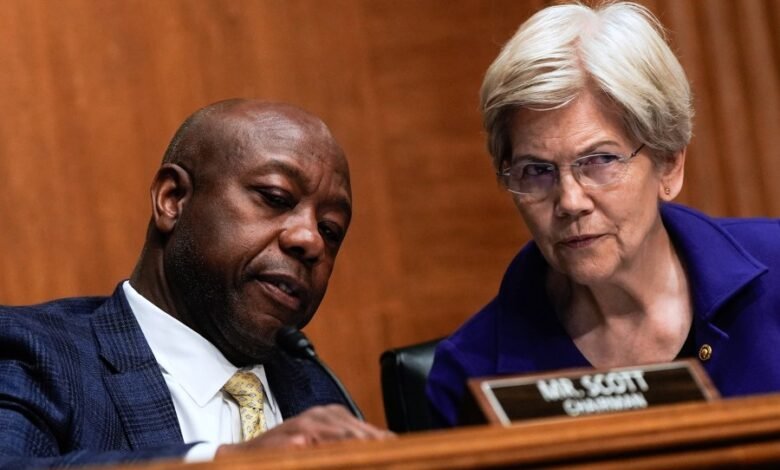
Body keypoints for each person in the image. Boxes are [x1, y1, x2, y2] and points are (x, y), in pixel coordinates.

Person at [427, 1, 780, 426]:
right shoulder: (470, 373)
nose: (570, 201)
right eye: (536, 171)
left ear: (669, 163)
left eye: (600, 160)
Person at [0, 99, 390, 468]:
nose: (311, 240)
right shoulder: (35, 353)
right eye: (275, 198)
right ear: (173, 199)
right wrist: (231, 464)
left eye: (330, 229)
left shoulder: (317, 390)